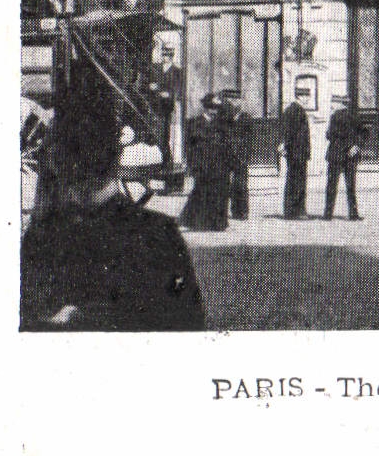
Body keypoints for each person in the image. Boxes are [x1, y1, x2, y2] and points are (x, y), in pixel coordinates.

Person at [21, 79, 205, 332]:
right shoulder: (159, 234)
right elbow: (189, 326)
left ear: (55, 160)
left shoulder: (41, 238)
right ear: (118, 155)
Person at [180, 95, 230, 232]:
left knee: (218, 192)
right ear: (205, 108)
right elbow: (188, 146)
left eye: (216, 108)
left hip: (218, 163)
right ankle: (198, 221)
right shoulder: (194, 123)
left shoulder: (221, 124)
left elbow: (226, 144)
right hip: (201, 163)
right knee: (201, 190)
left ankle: (217, 223)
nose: (214, 111)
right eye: (211, 108)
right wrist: (190, 163)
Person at [323, 96, 367, 220]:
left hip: (336, 155)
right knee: (351, 186)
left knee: (331, 185)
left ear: (339, 104)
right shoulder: (355, 116)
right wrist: (356, 146)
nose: (331, 105)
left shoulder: (334, 117)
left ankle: (328, 214)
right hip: (351, 156)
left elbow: (330, 135)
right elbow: (364, 133)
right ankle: (353, 214)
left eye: (333, 103)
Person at [278, 84, 312, 218]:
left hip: (297, 152)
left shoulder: (293, 110)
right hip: (297, 152)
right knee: (297, 182)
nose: (307, 99)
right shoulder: (295, 110)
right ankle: (296, 211)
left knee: (294, 181)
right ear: (300, 96)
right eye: (306, 96)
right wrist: (285, 145)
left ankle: (292, 210)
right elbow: (288, 131)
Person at [148, 42, 182, 173]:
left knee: (165, 132)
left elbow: (177, 89)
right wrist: (152, 87)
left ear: (171, 56)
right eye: (163, 54)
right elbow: (150, 83)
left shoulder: (177, 71)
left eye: (167, 55)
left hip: (166, 106)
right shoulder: (155, 68)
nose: (164, 57)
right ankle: (163, 160)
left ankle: (166, 161)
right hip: (155, 104)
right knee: (158, 132)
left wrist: (169, 94)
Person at [220, 92, 252, 221]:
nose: (234, 104)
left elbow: (251, 139)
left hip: (241, 156)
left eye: (237, 101)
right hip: (226, 155)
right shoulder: (224, 119)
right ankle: (222, 210)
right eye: (231, 101)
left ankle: (241, 211)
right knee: (223, 183)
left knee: (241, 184)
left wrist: (246, 155)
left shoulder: (246, 118)